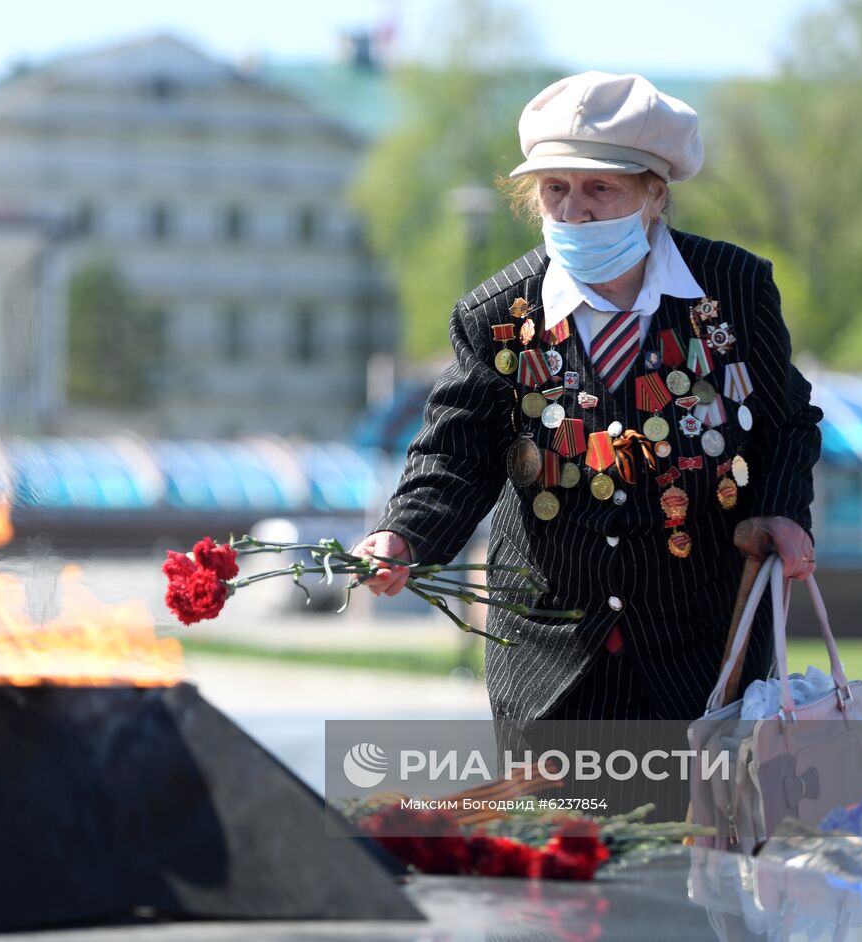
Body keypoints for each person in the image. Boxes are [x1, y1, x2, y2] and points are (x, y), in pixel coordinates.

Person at [352, 72, 823, 738]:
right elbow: (458, 453)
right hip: (550, 660)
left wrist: (781, 510)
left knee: (698, 811)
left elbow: (787, 422)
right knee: (557, 812)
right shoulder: (497, 313)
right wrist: (405, 533)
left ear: (654, 194)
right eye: (555, 189)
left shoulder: (733, 286)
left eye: (600, 188)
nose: (573, 212)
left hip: (703, 652)